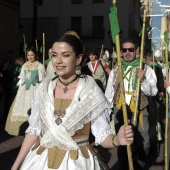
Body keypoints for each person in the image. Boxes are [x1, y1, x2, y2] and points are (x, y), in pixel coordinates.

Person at [11, 31, 133, 170]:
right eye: (55, 55)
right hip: (40, 160)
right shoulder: (44, 87)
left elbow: (102, 135)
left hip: (77, 162)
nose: (58, 61)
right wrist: (15, 166)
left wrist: (117, 140)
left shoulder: (90, 90)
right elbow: (33, 132)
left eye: (66, 55)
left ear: (78, 59)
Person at [105, 38, 158, 169]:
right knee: (122, 142)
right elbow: (109, 92)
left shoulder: (146, 69)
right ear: (121, 52)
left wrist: (144, 80)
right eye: (124, 50)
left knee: (143, 142)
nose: (127, 52)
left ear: (137, 51)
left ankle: (139, 166)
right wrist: (107, 112)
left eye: (131, 49)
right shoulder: (116, 70)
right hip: (120, 110)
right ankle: (124, 165)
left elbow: (153, 92)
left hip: (139, 109)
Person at [5, 47, 46, 136]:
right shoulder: (24, 65)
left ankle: (33, 126)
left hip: (35, 88)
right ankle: (22, 126)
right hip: (24, 90)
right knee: (20, 106)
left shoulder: (39, 65)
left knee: (33, 107)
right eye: (28, 55)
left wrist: (40, 79)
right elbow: (21, 77)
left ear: (35, 55)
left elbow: (42, 78)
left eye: (32, 55)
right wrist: (21, 85)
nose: (30, 57)